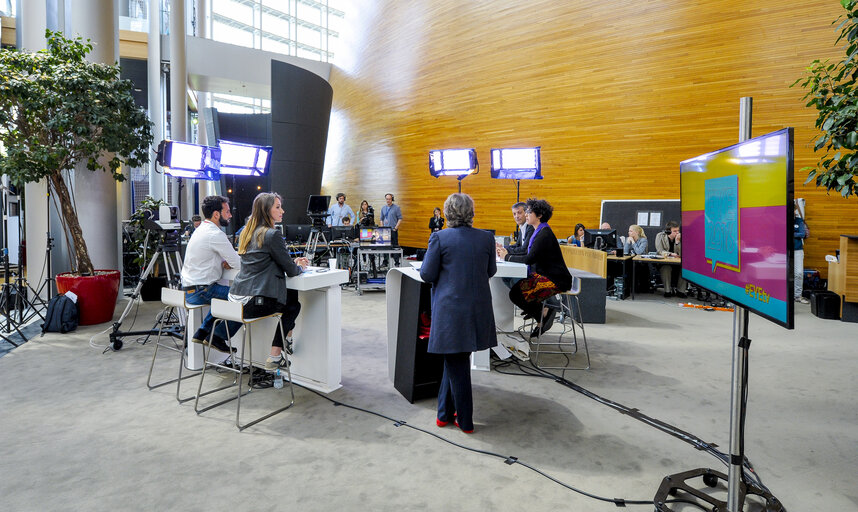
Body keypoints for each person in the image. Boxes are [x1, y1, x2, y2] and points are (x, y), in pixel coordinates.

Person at [419, 193, 496, 434]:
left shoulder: (439, 238)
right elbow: (490, 270)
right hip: (477, 310)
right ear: (471, 212)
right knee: (454, 359)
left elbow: (427, 274)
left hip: (452, 312)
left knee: (457, 362)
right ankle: (443, 414)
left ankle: (465, 420)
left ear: (448, 213)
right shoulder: (486, 238)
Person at [229, 192, 311, 369]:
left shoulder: (247, 232)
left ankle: (287, 338)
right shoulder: (272, 235)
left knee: (290, 296)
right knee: (293, 305)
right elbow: (291, 271)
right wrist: (300, 267)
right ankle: (275, 354)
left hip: (235, 298)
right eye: (278, 207)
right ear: (267, 210)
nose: (282, 210)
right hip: (253, 302)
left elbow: (266, 261)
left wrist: (291, 262)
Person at [497, 198, 572, 338]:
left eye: (529, 212)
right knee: (516, 291)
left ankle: (544, 312)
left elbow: (529, 258)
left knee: (515, 293)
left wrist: (506, 257)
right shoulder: (540, 230)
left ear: (539, 215)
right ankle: (541, 312)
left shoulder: (544, 234)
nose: (526, 214)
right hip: (547, 275)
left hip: (556, 279)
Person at [182, 196, 242, 353]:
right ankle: (217, 336)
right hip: (202, 291)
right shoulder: (216, 234)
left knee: (225, 296)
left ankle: (203, 331)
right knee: (245, 299)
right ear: (217, 214)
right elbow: (238, 263)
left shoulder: (200, 229)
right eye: (227, 212)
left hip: (189, 290)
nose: (230, 215)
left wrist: (224, 260)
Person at [497, 202, 533, 288]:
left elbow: (524, 249)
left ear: (526, 213)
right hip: (524, 263)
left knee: (514, 281)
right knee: (505, 277)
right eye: (514, 214)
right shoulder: (522, 227)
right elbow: (517, 245)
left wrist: (506, 252)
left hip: (532, 268)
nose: (517, 216)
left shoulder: (531, 227)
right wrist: (502, 247)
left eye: (519, 213)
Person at [654, 220, 686, 298]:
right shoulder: (660, 236)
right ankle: (667, 291)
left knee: (685, 269)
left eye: (678, 230)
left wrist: (678, 242)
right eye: (674, 231)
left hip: (677, 263)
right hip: (665, 262)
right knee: (666, 268)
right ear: (668, 231)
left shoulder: (681, 237)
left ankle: (681, 291)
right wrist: (671, 254)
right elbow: (660, 250)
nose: (677, 233)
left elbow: (683, 253)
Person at [794, 203, 810, 304]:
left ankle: (797, 295)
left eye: (794, 209)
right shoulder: (782, 219)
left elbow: (802, 233)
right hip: (783, 251)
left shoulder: (799, 221)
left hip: (798, 250)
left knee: (799, 273)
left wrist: (790, 233)